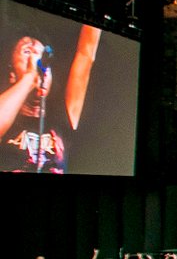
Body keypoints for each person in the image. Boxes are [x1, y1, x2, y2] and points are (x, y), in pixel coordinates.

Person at [0, 24, 101, 173]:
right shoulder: (7, 120)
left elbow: (85, 54)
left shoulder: (62, 118)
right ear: (12, 75)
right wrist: (30, 77)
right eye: (27, 52)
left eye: (42, 57)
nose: (37, 61)